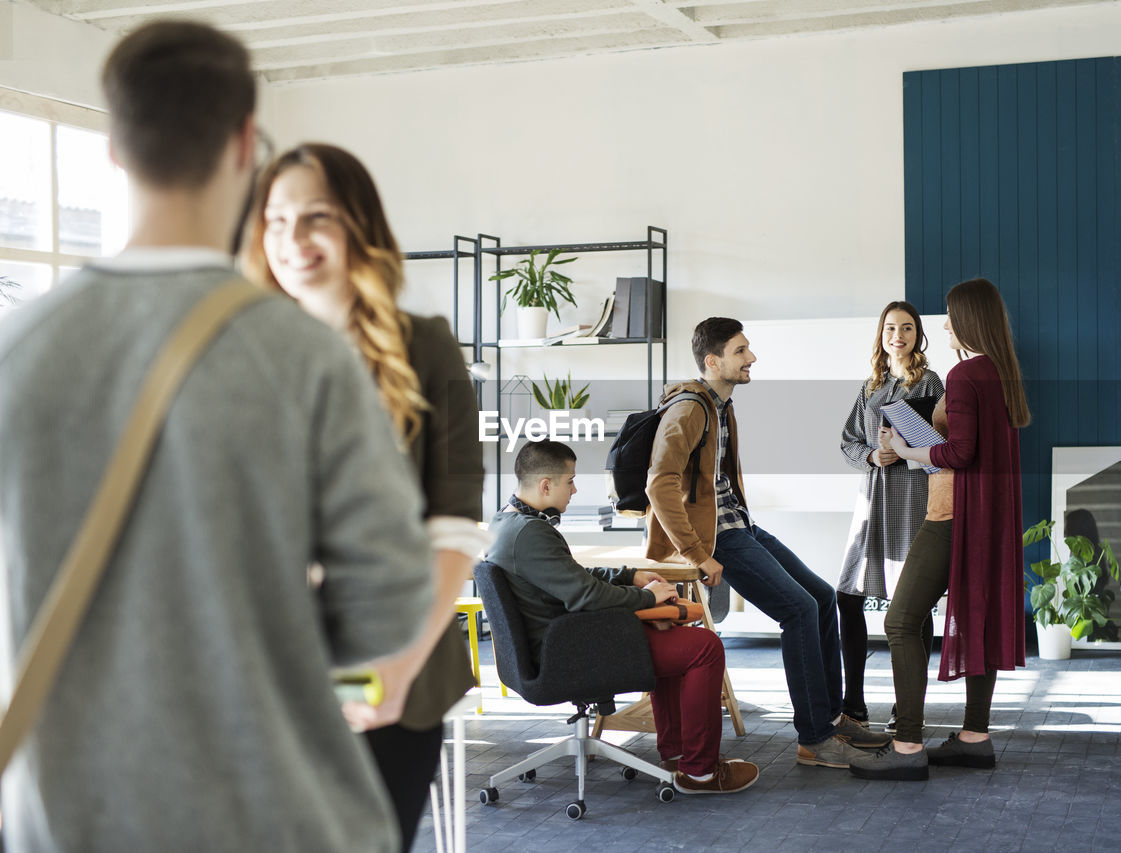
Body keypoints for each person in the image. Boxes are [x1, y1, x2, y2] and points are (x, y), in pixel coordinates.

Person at [0, 21, 449, 852]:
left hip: (63, 812)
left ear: (114, 149)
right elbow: (386, 606)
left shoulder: (15, 353)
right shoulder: (305, 357)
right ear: (246, 143)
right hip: (269, 805)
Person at [241, 143, 486, 850]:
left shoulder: (423, 347)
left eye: (315, 216)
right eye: (275, 219)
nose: (292, 240)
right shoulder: (243, 349)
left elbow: (454, 524)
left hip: (386, 666)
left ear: (358, 225)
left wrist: (398, 668)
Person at [644, 317, 890, 770]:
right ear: (712, 360)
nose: (751, 358)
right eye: (741, 351)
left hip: (740, 525)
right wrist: (699, 554)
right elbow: (659, 484)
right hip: (717, 537)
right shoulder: (690, 409)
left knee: (819, 597)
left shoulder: (721, 405)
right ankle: (814, 739)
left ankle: (831, 718)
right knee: (796, 609)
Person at [487, 440, 759, 795]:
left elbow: (572, 577)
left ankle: (677, 755)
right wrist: (648, 596)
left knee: (669, 629)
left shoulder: (507, 522)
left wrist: (630, 576)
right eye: (569, 481)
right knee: (704, 647)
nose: (575, 488)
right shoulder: (531, 533)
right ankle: (700, 773)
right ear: (545, 486)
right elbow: (585, 594)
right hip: (568, 654)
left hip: (558, 644)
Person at [849, 277, 1030, 781]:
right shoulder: (1000, 371)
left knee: (901, 621)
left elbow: (961, 453)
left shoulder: (967, 374)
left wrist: (907, 449)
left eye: (951, 315)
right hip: (985, 519)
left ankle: (906, 746)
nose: (945, 324)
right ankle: (975, 737)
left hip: (951, 516)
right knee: (977, 618)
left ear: (968, 320)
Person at [837, 301, 943, 733]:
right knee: (847, 596)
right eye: (889, 329)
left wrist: (898, 453)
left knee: (913, 605)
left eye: (906, 328)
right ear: (880, 336)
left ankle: (907, 706)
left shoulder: (930, 383)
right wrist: (871, 454)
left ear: (917, 335)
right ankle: (854, 703)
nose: (897, 336)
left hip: (913, 499)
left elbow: (939, 448)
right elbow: (847, 442)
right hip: (872, 499)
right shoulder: (870, 385)